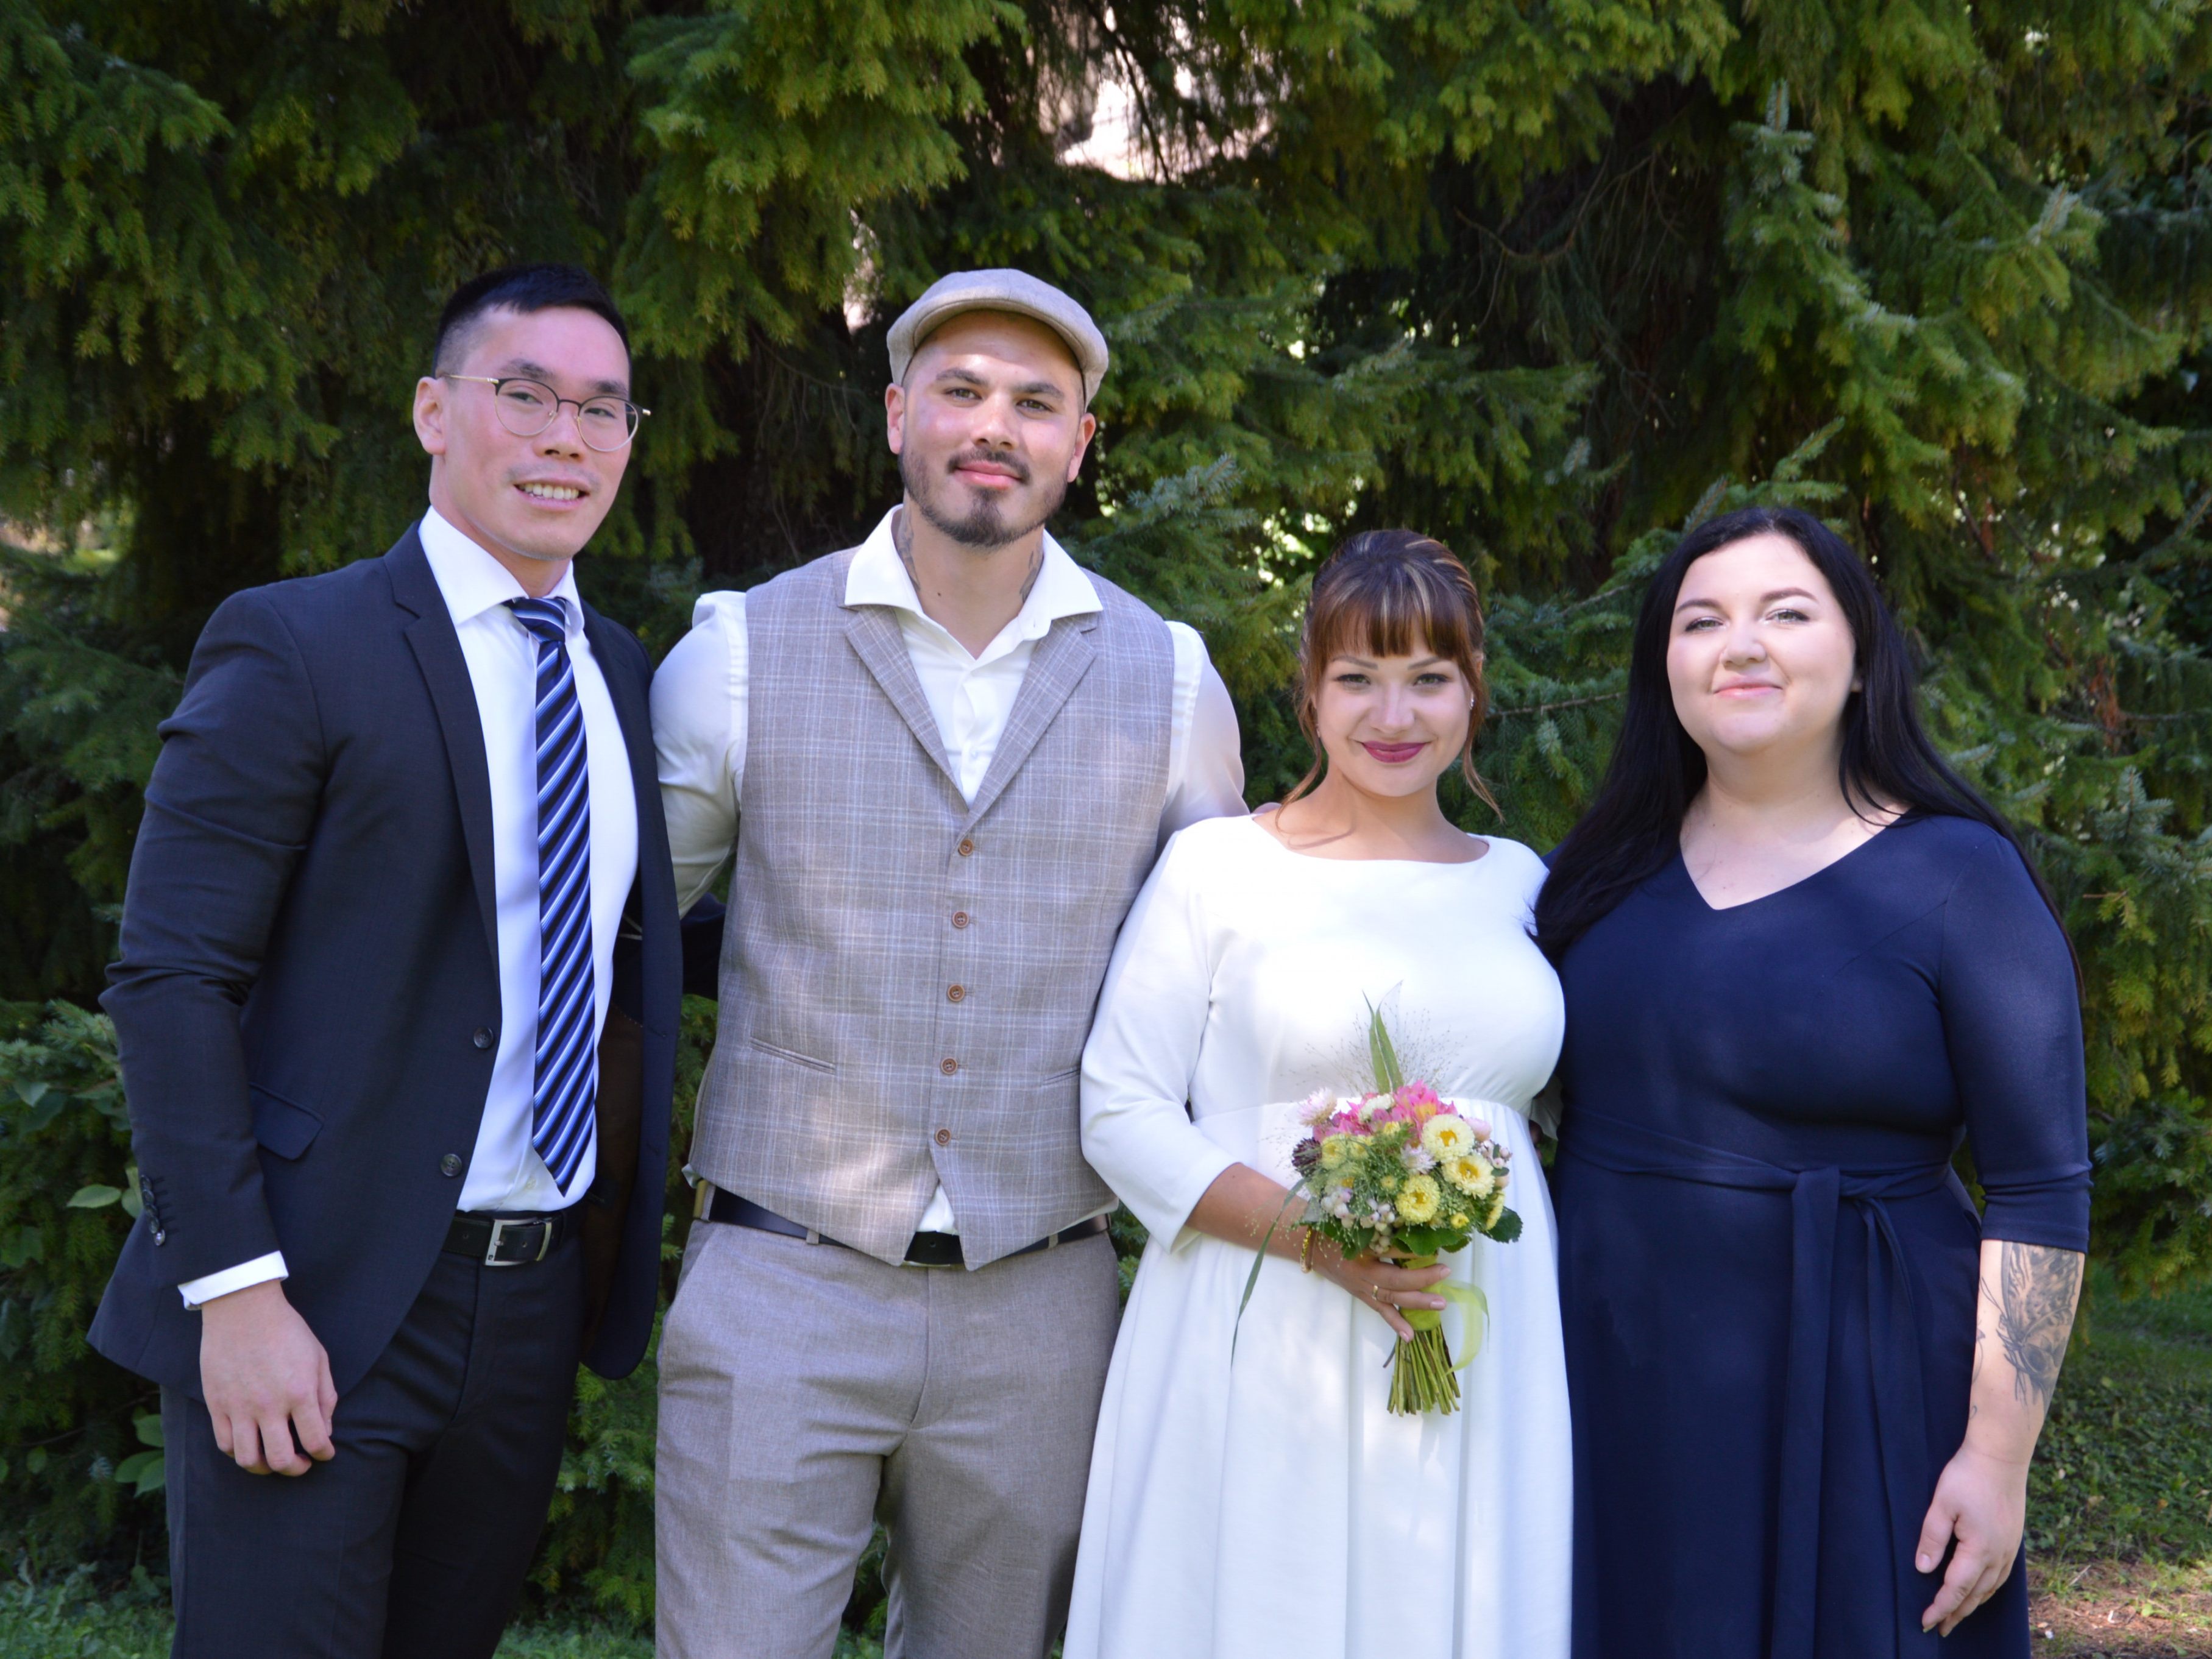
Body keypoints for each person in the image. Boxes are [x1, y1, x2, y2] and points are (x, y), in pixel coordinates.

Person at [86, 264, 682, 1659]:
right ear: (434, 411)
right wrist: (234, 1293)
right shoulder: (299, 643)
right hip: (318, 1286)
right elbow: (170, 979)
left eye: (602, 410)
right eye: (522, 395)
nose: (564, 438)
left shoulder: (624, 673)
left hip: (532, 1302)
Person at [649, 267, 1247, 1659]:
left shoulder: (1169, 680)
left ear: (1081, 444)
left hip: (1044, 1294)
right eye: (965, 391)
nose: (998, 426)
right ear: (897, 414)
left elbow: (1218, 974)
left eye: (1038, 404)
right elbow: (622, 948)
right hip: (780, 1272)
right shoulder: (737, 652)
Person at [1537, 505, 2090, 1658]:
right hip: (1613, 1388)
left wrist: (1996, 1460)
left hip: (1868, 1391)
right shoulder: (1591, 876)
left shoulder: (1958, 877)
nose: (1740, 645)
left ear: (1857, 659)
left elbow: (2039, 1188)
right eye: (1702, 621)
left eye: (1785, 613)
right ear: (1666, 671)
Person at [1064, 530, 1573, 1659]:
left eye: (1428, 679)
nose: (1393, 715)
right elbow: (1120, 1106)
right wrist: (1317, 1243)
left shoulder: (1525, 886)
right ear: (1307, 693)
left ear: (1473, 692)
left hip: (1475, 1324)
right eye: (1357, 677)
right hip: (1259, 1321)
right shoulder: (1219, 868)